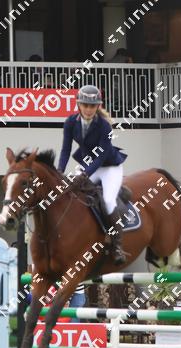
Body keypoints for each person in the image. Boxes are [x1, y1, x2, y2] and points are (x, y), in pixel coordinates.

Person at [57, 84, 128, 265]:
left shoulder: (105, 126)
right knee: (71, 193)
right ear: (78, 105)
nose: (88, 109)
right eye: (85, 105)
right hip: (89, 164)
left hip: (109, 167)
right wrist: (59, 171)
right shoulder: (70, 122)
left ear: (98, 106)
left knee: (108, 201)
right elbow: (66, 150)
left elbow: (101, 155)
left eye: (92, 106)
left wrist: (85, 174)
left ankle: (117, 245)